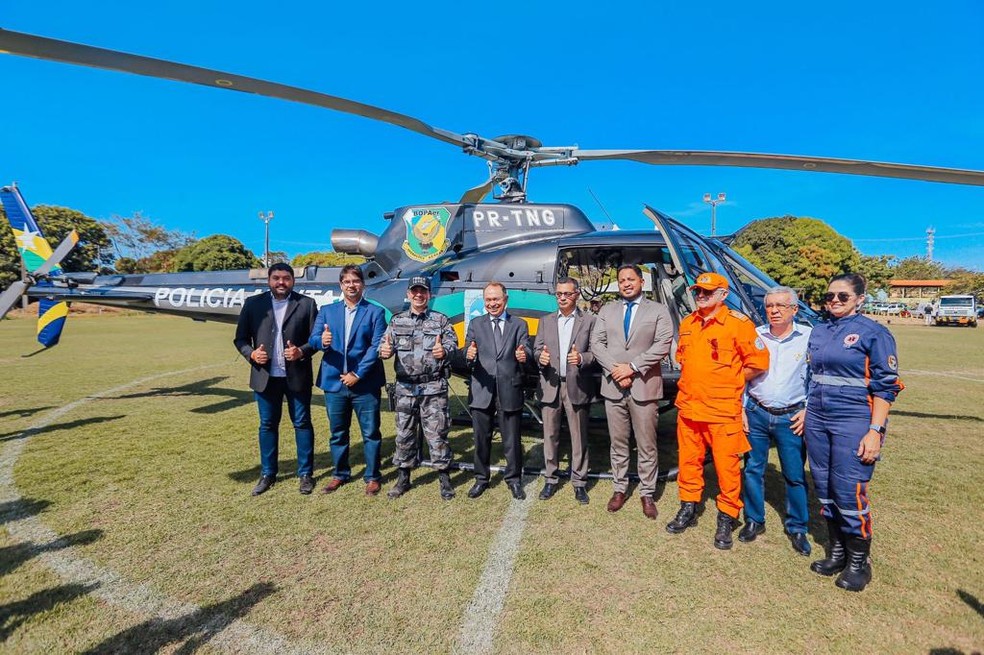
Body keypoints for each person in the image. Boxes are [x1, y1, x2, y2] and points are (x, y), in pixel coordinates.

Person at [805, 273, 903, 592]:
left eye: (842, 296)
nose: (834, 301)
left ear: (860, 298)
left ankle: (859, 563)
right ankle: (837, 552)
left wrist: (875, 431)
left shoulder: (874, 333)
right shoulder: (819, 331)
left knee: (848, 489)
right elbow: (812, 377)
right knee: (824, 485)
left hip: (854, 420)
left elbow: (886, 387)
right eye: (829, 295)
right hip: (818, 418)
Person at [666, 272, 769, 549]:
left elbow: (758, 363)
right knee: (688, 463)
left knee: (727, 469)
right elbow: (683, 361)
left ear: (723, 295)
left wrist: (732, 380)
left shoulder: (738, 324)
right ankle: (688, 506)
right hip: (689, 409)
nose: (701, 296)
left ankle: (727, 516)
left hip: (722, 412)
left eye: (707, 292)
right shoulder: (688, 323)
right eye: (698, 291)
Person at [590, 264, 674, 519]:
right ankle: (619, 488)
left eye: (631, 279)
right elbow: (597, 342)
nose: (626, 283)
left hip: (644, 385)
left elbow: (663, 343)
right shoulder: (607, 309)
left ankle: (647, 493)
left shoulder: (658, 311)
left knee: (647, 443)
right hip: (614, 386)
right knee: (618, 442)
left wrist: (633, 368)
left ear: (641, 281)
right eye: (622, 280)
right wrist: (616, 370)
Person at [233, 263, 318, 496]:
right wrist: (251, 353)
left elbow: (316, 339)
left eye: (286, 278)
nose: (281, 282)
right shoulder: (253, 304)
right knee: (267, 425)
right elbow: (240, 339)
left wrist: (302, 351)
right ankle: (268, 474)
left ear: (293, 281)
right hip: (265, 378)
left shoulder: (307, 304)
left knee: (302, 424)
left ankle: (305, 474)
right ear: (269, 280)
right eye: (276, 278)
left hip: (296, 377)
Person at [739, 286, 812, 555]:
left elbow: (817, 377)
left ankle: (797, 527)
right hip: (757, 412)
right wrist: (742, 409)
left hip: (792, 416)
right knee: (753, 469)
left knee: (794, 474)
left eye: (781, 305)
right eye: (770, 306)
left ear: (794, 309)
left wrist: (808, 410)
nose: (774, 310)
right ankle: (754, 520)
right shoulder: (755, 336)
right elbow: (743, 373)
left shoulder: (809, 337)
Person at [308, 264, 387, 496]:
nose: (351, 285)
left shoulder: (375, 312)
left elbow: (376, 346)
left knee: (371, 433)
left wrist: (357, 374)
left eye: (356, 281)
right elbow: (312, 340)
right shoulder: (327, 311)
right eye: (347, 282)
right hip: (334, 383)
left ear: (363, 284)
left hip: (365, 383)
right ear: (341, 285)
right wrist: (321, 341)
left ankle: (373, 476)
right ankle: (339, 473)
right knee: (338, 432)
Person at [378, 276, 458, 500]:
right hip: (405, 388)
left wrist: (445, 351)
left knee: (437, 434)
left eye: (423, 291)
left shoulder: (440, 320)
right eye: (415, 291)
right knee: (404, 434)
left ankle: (444, 479)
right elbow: (385, 345)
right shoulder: (397, 321)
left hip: (433, 386)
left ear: (429, 294)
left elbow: (453, 343)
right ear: (408, 293)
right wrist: (383, 352)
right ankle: (403, 479)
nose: (419, 295)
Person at [458, 282, 532, 500]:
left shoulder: (519, 324)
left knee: (511, 439)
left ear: (505, 300)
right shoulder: (475, 324)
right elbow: (467, 351)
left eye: (496, 299)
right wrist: (468, 355)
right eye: (488, 300)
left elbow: (525, 348)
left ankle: (514, 479)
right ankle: (481, 478)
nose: (492, 304)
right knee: (482, 438)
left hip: (510, 388)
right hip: (482, 388)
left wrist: (523, 355)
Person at [533, 277, 597, 505]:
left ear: (577, 294)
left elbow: (596, 353)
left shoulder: (589, 321)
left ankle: (579, 482)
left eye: (567, 294)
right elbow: (537, 348)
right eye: (559, 294)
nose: (562, 298)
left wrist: (582, 358)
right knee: (550, 435)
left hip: (577, 385)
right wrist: (539, 356)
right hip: (551, 385)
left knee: (578, 435)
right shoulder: (545, 321)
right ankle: (551, 478)